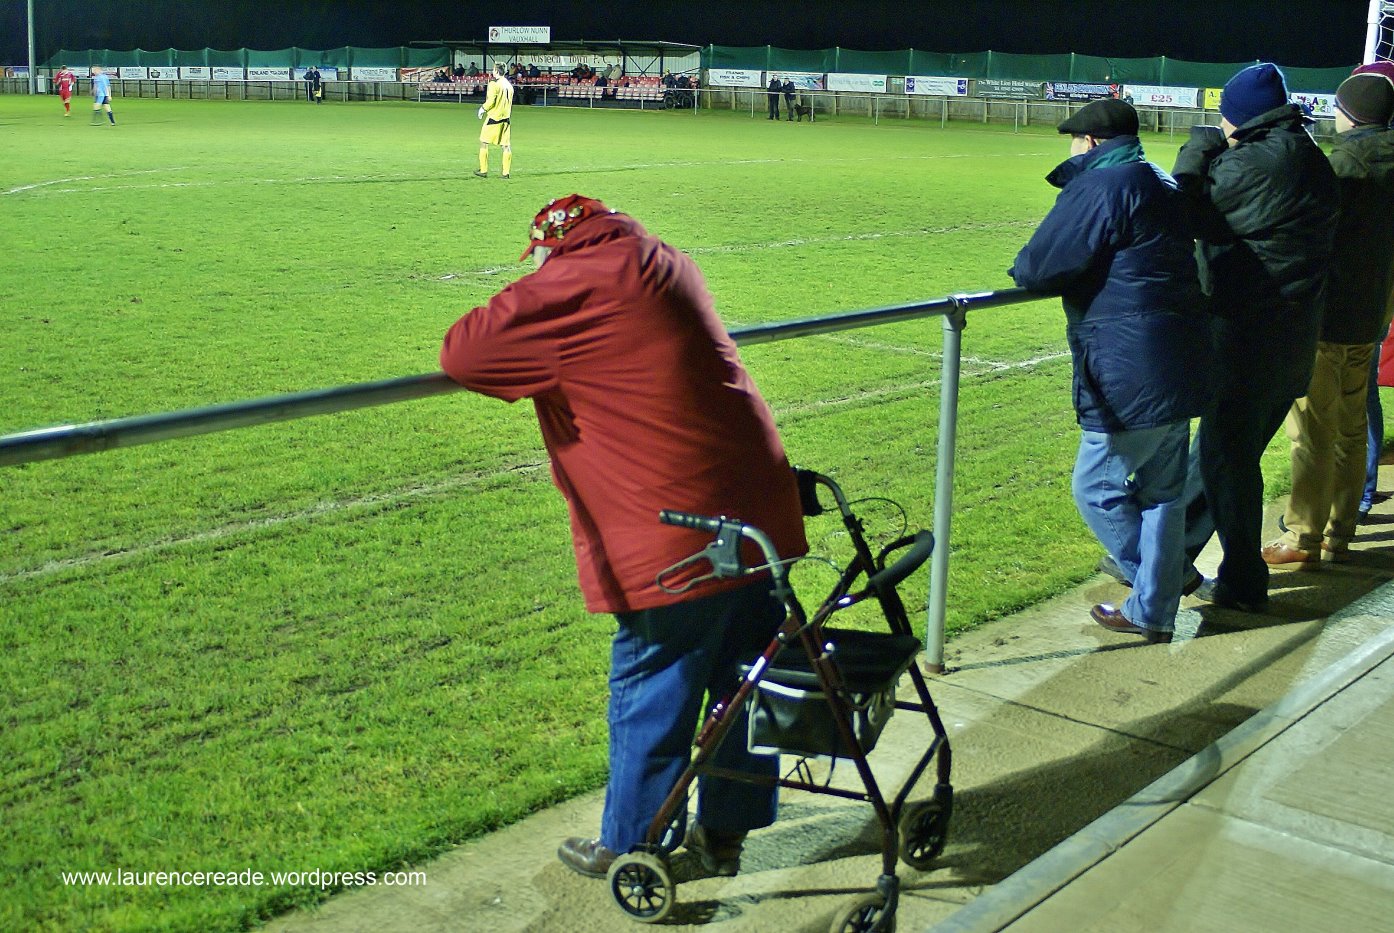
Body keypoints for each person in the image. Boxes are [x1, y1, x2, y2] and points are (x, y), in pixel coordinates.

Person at [439, 194, 808, 880]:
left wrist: (541, 278)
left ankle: (633, 846)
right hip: (760, 513)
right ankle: (724, 835)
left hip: (681, 532)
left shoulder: (570, 283)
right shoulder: (665, 260)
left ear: (556, 247)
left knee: (654, 684)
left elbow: (465, 354)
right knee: (744, 679)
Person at [1009, 99, 1212, 644]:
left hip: (1130, 363)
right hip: (1178, 355)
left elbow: (1039, 266)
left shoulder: (1103, 185)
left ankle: (1159, 586)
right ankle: (1154, 609)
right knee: (1163, 493)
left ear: (1091, 142)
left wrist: (1024, 268)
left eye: (1075, 141)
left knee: (1095, 488)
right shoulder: (1159, 179)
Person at [1170, 63, 1339, 611]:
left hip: (1249, 339)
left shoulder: (1257, 162)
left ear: (1241, 117)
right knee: (1222, 453)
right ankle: (1165, 557)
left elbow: (1185, 212)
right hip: (1288, 339)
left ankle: (1243, 583)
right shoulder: (1303, 153)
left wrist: (1197, 148)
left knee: (1226, 460)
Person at [1263, 73, 1394, 565]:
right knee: (1352, 429)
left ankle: (1303, 537)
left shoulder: (1341, 166)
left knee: (1312, 435)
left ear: (1350, 113)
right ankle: (1340, 531)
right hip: (1371, 315)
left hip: (1326, 318)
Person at [1354, 61, 1394, 523]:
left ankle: (1353, 498)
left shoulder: (1356, 163)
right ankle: (1359, 494)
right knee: (1361, 396)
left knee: (1350, 400)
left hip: (1357, 300)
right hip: (1376, 298)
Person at [475, 63, 514, 179]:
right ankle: (506, 173)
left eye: (493, 70)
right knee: (506, 146)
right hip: (506, 119)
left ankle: (483, 170)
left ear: (496, 71)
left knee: (483, 142)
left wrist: (482, 109)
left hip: (494, 118)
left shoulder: (494, 84)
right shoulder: (509, 85)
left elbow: (491, 101)